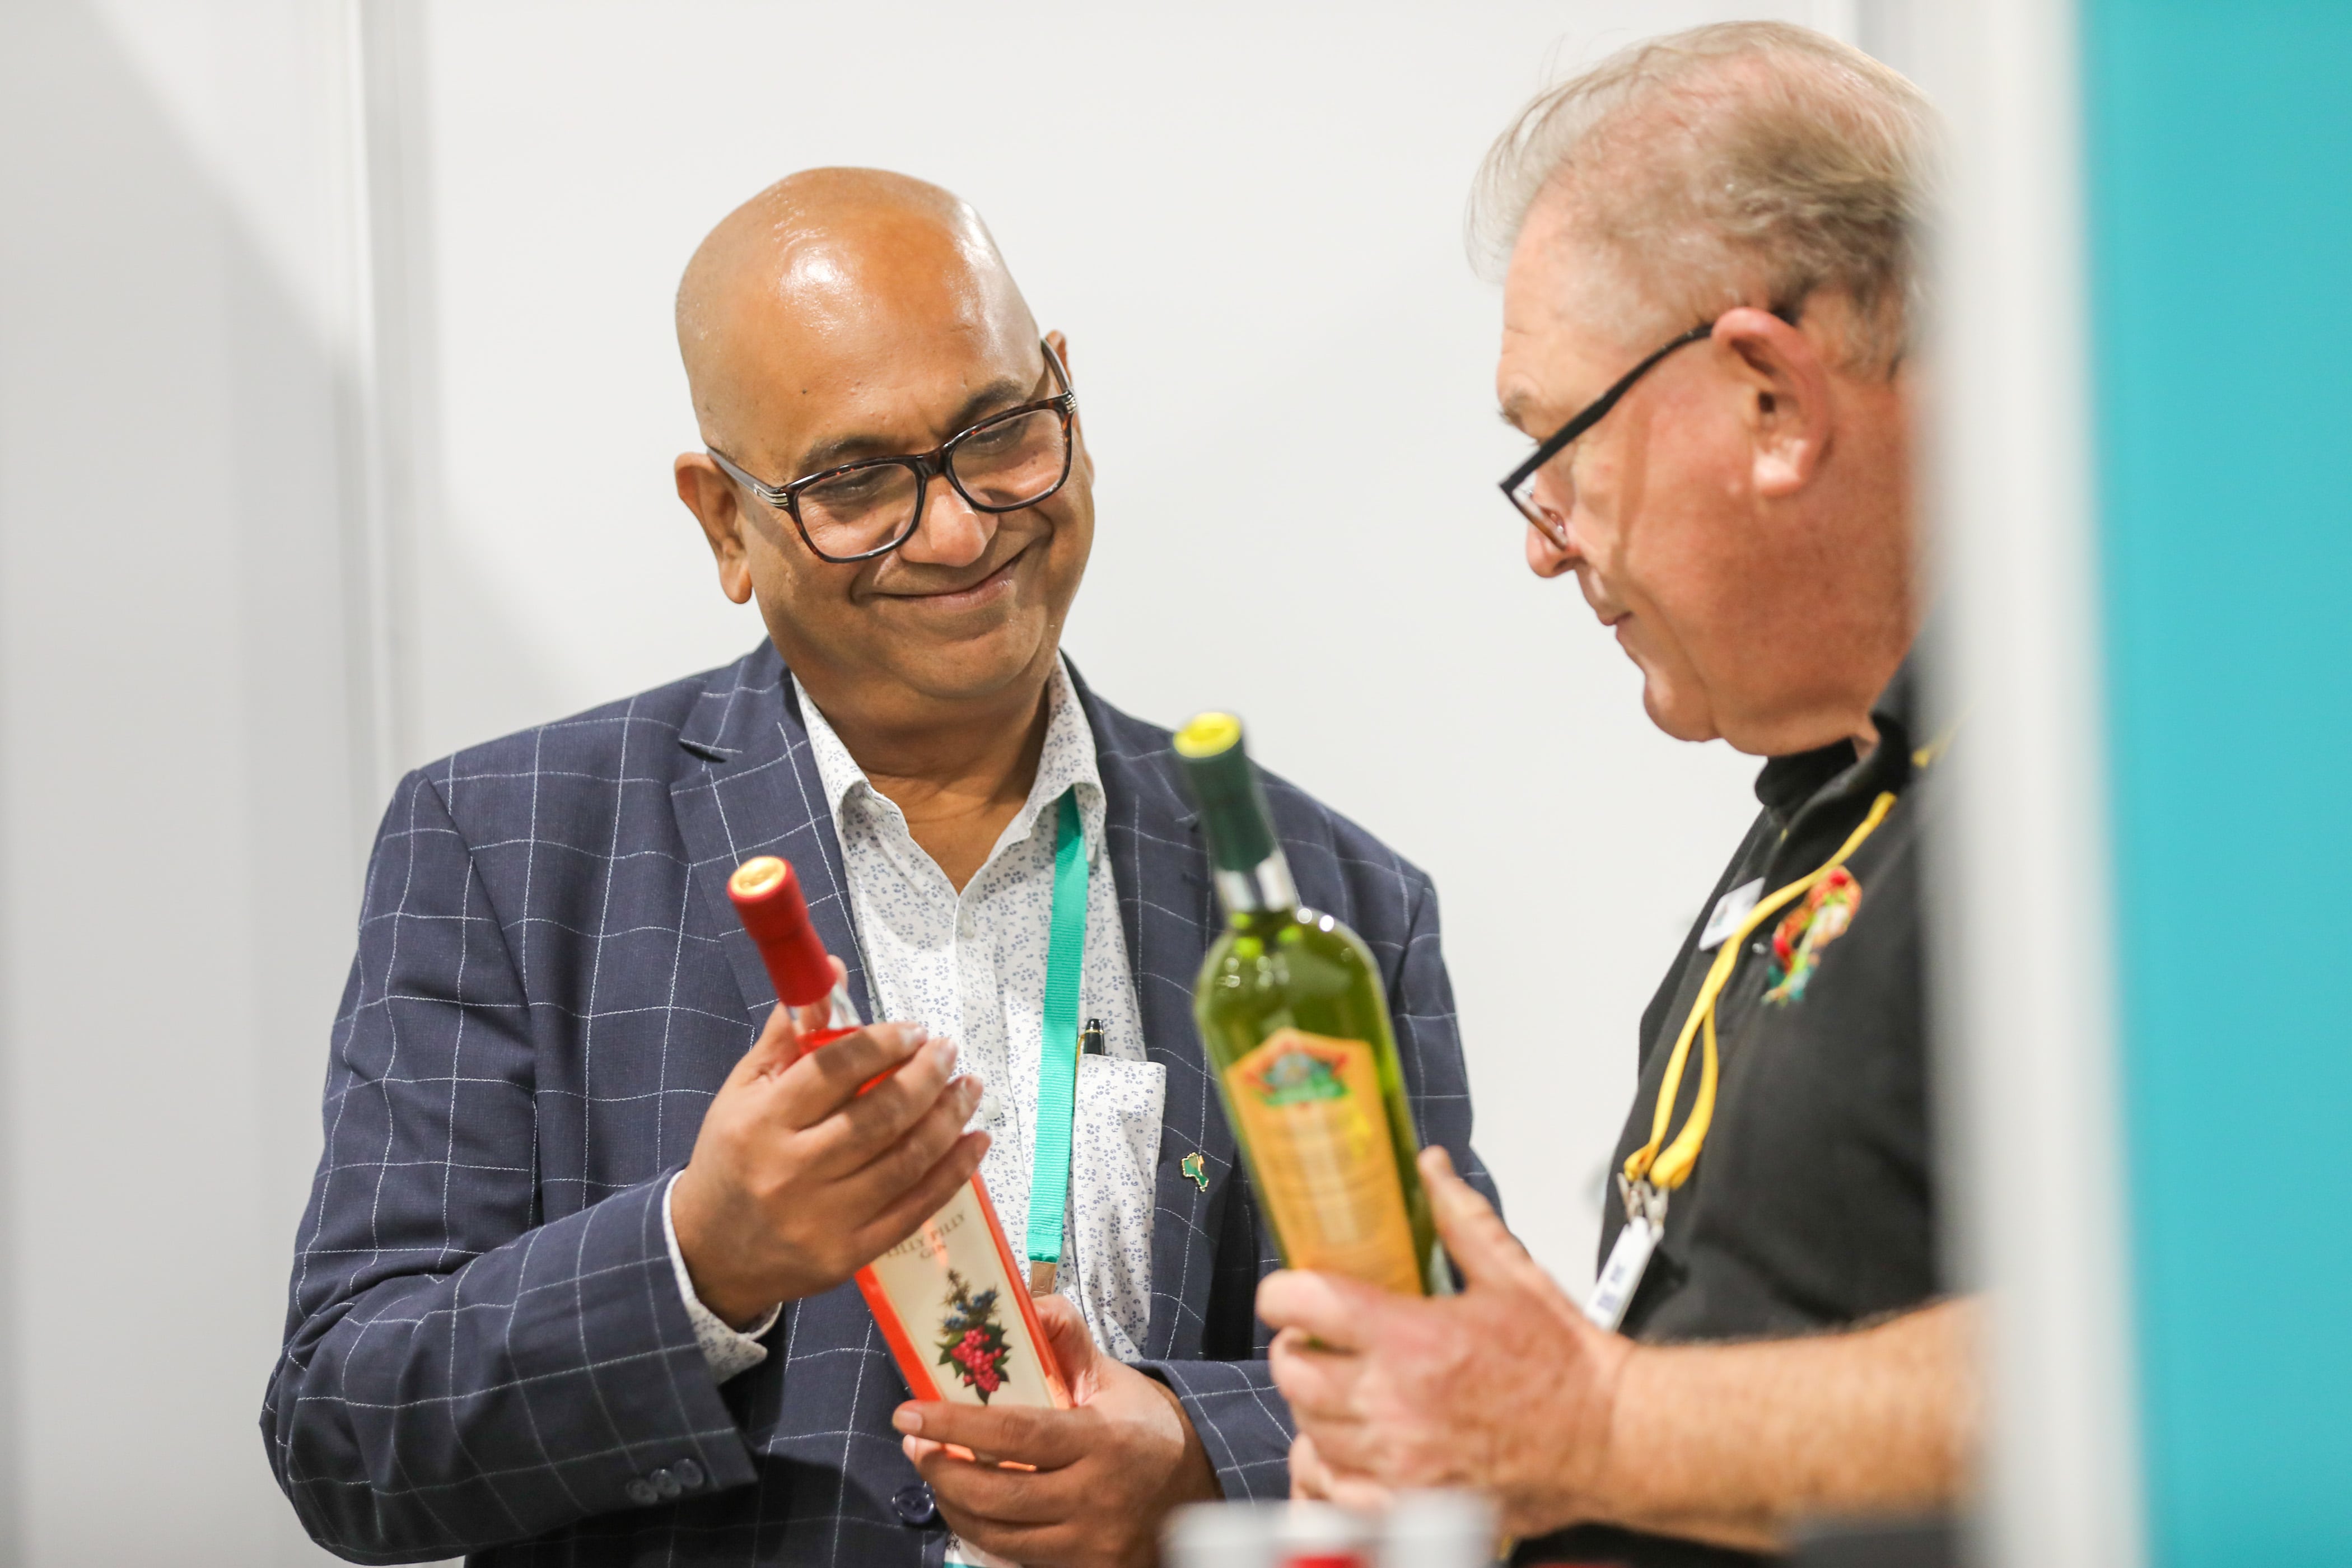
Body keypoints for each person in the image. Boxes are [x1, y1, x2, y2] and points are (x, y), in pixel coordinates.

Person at [264, 168, 1492, 1568]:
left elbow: (1460, 1398)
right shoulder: (508, 843)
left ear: (1068, 399)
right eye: (855, 483)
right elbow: (346, 1433)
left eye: (1000, 434)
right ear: (724, 522)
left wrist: (1197, 1456)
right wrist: (698, 1257)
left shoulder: (1330, 904)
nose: (963, 529)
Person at [1260, 24, 1974, 1566]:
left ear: (1771, 398)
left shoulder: (2107, 791)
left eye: (1558, 450)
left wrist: (1585, 1431)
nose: (1544, 539)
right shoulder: (1827, 802)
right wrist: (1469, 1463)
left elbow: (2212, 1339)